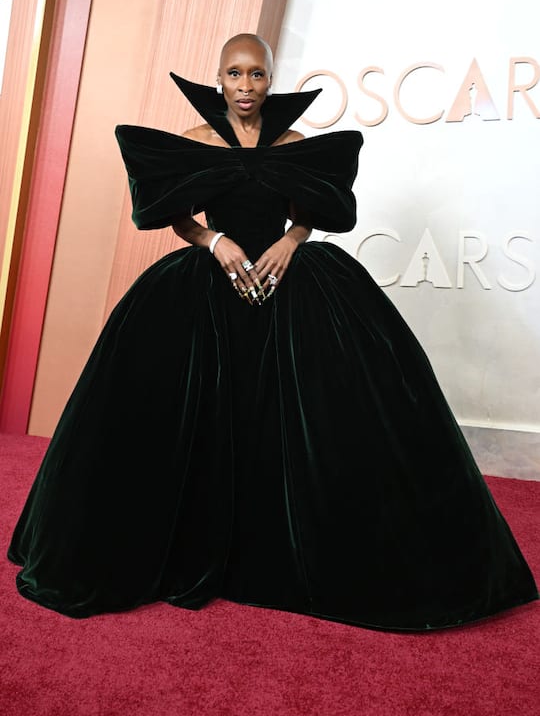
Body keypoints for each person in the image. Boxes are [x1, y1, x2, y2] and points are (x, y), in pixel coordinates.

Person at [8, 34, 537, 631]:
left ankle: (294, 550)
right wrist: (214, 242)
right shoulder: (196, 143)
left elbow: (311, 210)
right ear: (219, 80)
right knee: (187, 412)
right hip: (211, 285)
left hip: (290, 282)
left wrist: (290, 241)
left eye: (256, 75)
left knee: (327, 414)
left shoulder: (295, 145)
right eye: (234, 74)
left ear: (268, 80)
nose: (245, 87)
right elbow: (175, 216)